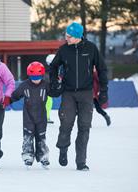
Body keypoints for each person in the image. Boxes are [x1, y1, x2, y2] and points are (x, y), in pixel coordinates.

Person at [49, 22, 108, 171]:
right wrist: (55, 82)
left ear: (77, 37)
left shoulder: (91, 48)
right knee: (66, 124)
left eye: (69, 36)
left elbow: (102, 69)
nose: (66, 38)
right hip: (68, 92)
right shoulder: (63, 50)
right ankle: (63, 148)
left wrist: (104, 90)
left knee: (84, 127)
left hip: (86, 93)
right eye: (66, 35)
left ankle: (81, 162)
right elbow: (53, 66)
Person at [10, 62, 57, 169]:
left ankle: (43, 156)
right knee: (28, 137)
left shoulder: (45, 85)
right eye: (33, 77)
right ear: (29, 75)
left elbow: (55, 93)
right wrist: (6, 101)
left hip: (41, 117)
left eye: (38, 77)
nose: (36, 79)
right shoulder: (24, 85)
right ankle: (28, 156)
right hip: (28, 117)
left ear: (42, 75)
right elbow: (15, 95)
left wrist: (58, 84)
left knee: (41, 137)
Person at [45, 54, 56, 124]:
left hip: (49, 89)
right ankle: (45, 117)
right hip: (46, 89)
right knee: (47, 103)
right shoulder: (48, 69)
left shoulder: (53, 68)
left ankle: (47, 117)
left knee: (49, 103)